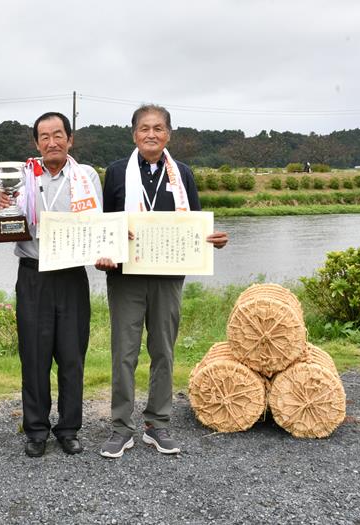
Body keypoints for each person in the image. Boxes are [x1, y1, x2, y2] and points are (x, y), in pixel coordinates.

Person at [95, 104, 228, 458]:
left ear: (168, 133)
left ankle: (158, 424)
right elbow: (105, 225)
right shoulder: (117, 172)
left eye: (158, 128)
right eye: (144, 128)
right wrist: (104, 252)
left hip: (168, 277)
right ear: (133, 134)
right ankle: (121, 427)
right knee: (124, 352)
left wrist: (212, 239)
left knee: (163, 351)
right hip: (125, 278)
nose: (151, 134)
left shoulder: (182, 173)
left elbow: (196, 224)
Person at [0, 112, 103, 457]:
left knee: (72, 355)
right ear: (36, 142)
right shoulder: (22, 176)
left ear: (70, 140)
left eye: (58, 135)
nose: (52, 142)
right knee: (34, 356)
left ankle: (69, 428)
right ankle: (36, 429)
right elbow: (7, 226)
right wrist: (3, 208)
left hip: (71, 273)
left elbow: (98, 224)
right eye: (44, 136)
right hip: (33, 272)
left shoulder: (85, 176)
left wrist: (106, 248)